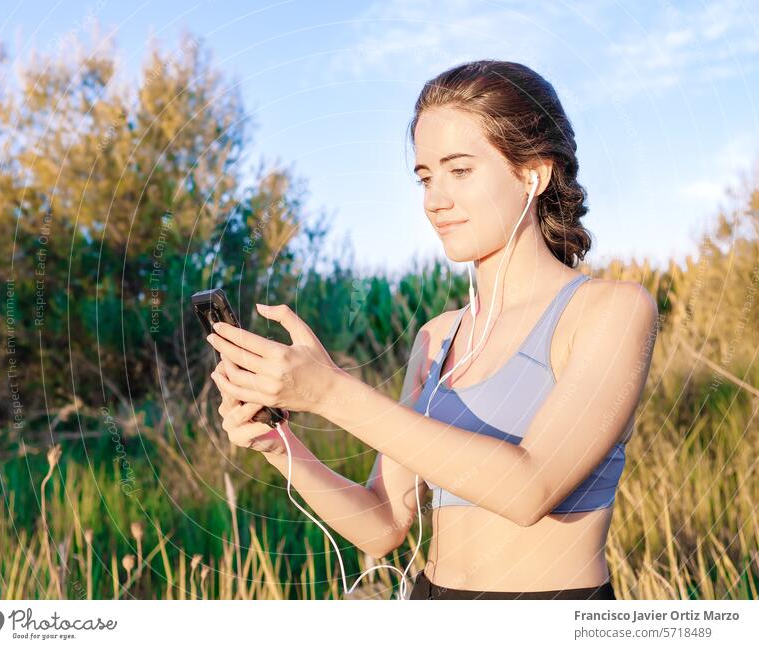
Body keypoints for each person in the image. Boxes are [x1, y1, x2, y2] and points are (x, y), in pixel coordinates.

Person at [206, 60, 659, 600]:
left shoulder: (610, 310)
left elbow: (528, 488)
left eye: (460, 170)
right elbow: (382, 525)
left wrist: (329, 391)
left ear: (532, 175)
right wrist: (278, 444)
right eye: (425, 177)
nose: (434, 200)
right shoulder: (436, 337)